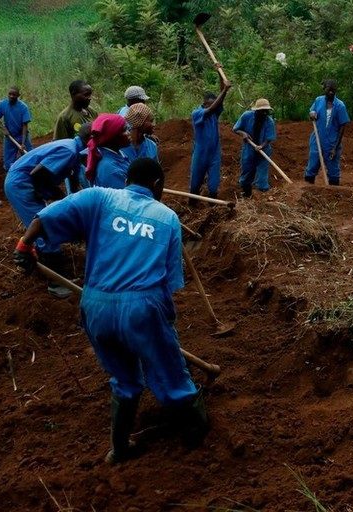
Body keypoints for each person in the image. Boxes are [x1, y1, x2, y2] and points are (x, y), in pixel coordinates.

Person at [13, 158, 209, 463]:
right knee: (169, 369)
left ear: (127, 179)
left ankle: (119, 448)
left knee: (124, 378)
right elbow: (169, 285)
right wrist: (164, 328)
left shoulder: (98, 197)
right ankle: (196, 431)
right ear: (157, 186)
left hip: (96, 305)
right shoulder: (167, 217)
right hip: (143, 306)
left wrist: (25, 246)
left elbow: (47, 215)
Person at [4, 125, 91, 298]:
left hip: (26, 182)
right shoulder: (69, 151)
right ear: (90, 141)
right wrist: (51, 199)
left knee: (46, 224)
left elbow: (72, 187)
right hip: (21, 185)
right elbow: (38, 175)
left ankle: (36, 264)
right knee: (45, 229)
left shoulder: (72, 150)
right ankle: (55, 284)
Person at [190, 69, 231, 202]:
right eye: (212, 104)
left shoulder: (214, 114)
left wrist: (220, 74)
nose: (215, 106)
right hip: (201, 153)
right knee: (195, 183)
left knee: (213, 185)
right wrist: (225, 90)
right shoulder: (197, 113)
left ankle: (212, 208)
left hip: (214, 154)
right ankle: (192, 206)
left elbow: (219, 102)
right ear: (205, 104)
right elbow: (213, 107)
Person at [304, 79, 350, 186]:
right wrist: (312, 114)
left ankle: (333, 194)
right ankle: (307, 190)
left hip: (332, 142)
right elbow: (312, 112)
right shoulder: (318, 100)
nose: (331, 92)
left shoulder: (340, 106)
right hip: (317, 139)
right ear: (324, 89)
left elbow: (342, 127)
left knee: (333, 169)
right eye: (329, 89)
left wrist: (335, 147)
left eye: (333, 90)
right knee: (312, 165)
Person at [233, 98, 276, 197]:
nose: (265, 113)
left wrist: (261, 146)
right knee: (247, 172)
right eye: (262, 111)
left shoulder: (269, 122)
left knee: (262, 178)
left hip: (264, 151)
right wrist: (243, 133)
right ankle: (246, 193)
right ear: (256, 111)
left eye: (266, 111)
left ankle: (263, 196)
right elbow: (236, 129)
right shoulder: (247, 116)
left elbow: (269, 138)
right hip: (249, 149)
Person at [87, 114, 131, 189]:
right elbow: (124, 198)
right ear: (113, 137)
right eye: (125, 130)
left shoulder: (118, 154)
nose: (129, 133)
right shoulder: (111, 170)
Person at [0, 86, 33, 172]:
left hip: (23, 136)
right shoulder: (3, 104)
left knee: (30, 159)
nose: (11, 96)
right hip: (9, 137)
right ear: (7, 94)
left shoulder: (23, 107)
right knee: (8, 164)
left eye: (14, 94)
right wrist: (3, 129)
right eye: (10, 94)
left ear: (18, 95)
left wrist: (23, 143)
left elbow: (25, 125)